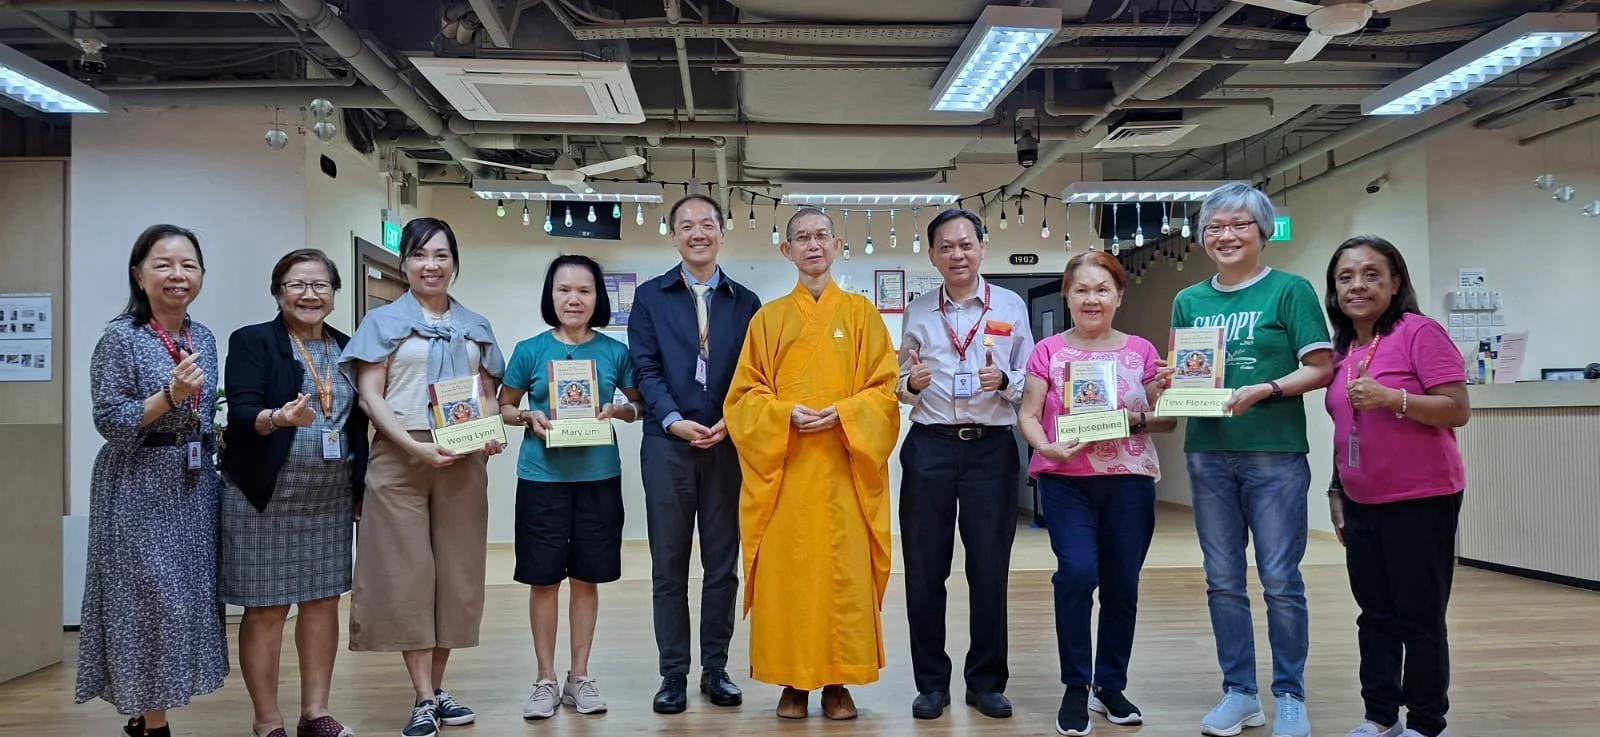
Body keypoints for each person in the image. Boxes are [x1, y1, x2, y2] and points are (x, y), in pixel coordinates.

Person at [724, 206, 900, 720]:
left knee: (844, 574)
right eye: (801, 237)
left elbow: (885, 390)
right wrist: (783, 416)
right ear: (787, 250)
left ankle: (839, 683)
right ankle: (793, 682)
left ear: (837, 244)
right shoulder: (769, 319)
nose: (813, 245)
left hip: (845, 469)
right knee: (789, 578)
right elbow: (742, 398)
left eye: (821, 235)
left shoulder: (862, 314)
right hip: (787, 471)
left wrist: (845, 415)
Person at [1172, 182, 1335, 737]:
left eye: (1239, 224)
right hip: (1208, 453)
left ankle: (1289, 695)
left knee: (1280, 578)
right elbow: (1191, 370)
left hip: (1275, 452)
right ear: (1201, 236)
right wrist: (1174, 381)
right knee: (1222, 578)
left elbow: (1320, 367)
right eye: (1215, 226)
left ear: (1263, 231)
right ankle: (1240, 692)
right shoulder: (1189, 300)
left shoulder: (1291, 290)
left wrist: (1266, 388)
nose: (1227, 235)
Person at [337, 217, 505, 737]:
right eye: (419, 255)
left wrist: (490, 429)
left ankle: (439, 687)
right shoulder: (382, 323)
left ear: (455, 263)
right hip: (401, 455)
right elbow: (371, 396)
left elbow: (486, 391)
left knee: (455, 576)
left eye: (441, 256)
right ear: (404, 263)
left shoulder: (475, 324)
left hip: (462, 457)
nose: (430, 265)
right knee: (407, 575)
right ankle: (423, 697)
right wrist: (415, 447)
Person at [74, 224, 229, 737]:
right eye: (163, 265)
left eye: (188, 265)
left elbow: (204, 415)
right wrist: (169, 396)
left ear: (202, 275)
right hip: (138, 484)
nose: (177, 275)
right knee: (149, 600)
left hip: (191, 485)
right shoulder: (120, 338)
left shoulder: (200, 336)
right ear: (139, 276)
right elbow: (110, 419)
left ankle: (145, 712)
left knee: (181, 602)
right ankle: (154, 721)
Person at [1016, 251, 1177, 736]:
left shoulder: (1143, 351)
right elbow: (1027, 412)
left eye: (1102, 289)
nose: (1092, 299)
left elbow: (1166, 420)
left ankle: (1110, 685)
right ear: (1067, 295)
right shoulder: (1047, 350)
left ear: (1119, 296)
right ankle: (1075, 685)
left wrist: (1145, 408)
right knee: (1077, 574)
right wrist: (1046, 447)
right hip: (1067, 481)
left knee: (1122, 584)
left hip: (1130, 479)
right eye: (1082, 289)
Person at [1322, 237, 1470, 737]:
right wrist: (1336, 489)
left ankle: (1427, 722)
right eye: (1346, 277)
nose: (1357, 285)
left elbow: (1457, 409)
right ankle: (1380, 716)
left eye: (1370, 274)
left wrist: (1394, 398)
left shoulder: (1419, 333)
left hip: (1421, 498)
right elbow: (1348, 429)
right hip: (1362, 500)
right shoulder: (1346, 348)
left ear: (1395, 282)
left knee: (1420, 616)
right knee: (1375, 615)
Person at [219, 249, 368, 737]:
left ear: (334, 293)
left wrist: (360, 488)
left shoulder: (348, 349)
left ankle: (315, 713)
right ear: (278, 291)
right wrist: (277, 418)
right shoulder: (253, 342)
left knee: (323, 601)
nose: (309, 294)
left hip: (328, 500)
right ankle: (267, 720)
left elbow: (357, 426)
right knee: (266, 609)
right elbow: (241, 412)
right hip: (265, 498)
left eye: (320, 285)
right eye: (297, 284)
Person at [895, 208, 1033, 720]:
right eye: (945, 247)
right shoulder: (918, 310)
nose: (957, 254)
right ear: (932, 255)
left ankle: (986, 681)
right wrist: (910, 386)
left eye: (965, 244)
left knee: (989, 569)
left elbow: (1031, 378)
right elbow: (898, 379)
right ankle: (931, 683)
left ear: (981, 247)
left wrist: (1008, 384)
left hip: (991, 450)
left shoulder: (1012, 307)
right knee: (925, 570)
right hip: (929, 447)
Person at [627, 194, 762, 714]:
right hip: (667, 446)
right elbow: (645, 369)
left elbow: (753, 375)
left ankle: (716, 668)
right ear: (674, 235)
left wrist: (732, 421)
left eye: (707, 224)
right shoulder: (649, 298)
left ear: (722, 233)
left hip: (729, 446)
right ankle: (673, 674)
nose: (698, 232)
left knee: (723, 565)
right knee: (669, 565)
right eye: (687, 225)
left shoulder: (745, 301)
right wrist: (671, 420)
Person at [497, 254, 644, 719]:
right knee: (543, 580)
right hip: (542, 479)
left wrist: (619, 410)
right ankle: (544, 678)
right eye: (564, 290)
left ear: (597, 298)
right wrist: (527, 416)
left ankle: (578, 676)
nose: (573, 299)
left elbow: (640, 404)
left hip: (599, 476)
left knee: (586, 577)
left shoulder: (615, 352)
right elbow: (504, 406)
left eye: (584, 290)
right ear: (551, 295)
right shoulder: (530, 349)